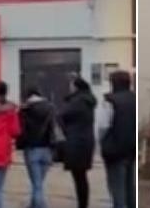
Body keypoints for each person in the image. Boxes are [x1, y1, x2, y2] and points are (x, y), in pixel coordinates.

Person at [98, 70, 136, 208]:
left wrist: (102, 143)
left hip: (114, 152)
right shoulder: (135, 99)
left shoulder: (110, 101)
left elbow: (103, 127)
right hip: (131, 151)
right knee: (130, 191)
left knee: (117, 192)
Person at [60, 77, 97, 208]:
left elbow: (62, 116)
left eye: (71, 85)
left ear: (76, 87)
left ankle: (82, 204)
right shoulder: (87, 101)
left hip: (76, 142)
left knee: (79, 177)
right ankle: (83, 204)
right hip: (86, 141)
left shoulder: (77, 101)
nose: (70, 88)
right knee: (81, 176)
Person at [16, 87, 56, 208]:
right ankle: (33, 204)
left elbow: (20, 130)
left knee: (37, 184)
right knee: (38, 183)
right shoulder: (50, 107)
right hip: (48, 149)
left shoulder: (24, 110)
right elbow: (53, 128)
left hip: (32, 149)